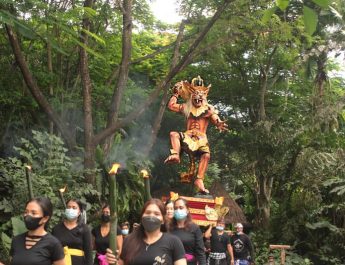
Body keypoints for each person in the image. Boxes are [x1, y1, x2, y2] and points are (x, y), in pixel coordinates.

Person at [164, 76, 228, 194]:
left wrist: (219, 123)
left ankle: (199, 179)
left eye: (201, 94)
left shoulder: (208, 109)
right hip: (188, 136)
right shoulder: (186, 107)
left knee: (206, 155)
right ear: (191, 94)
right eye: (195, 93)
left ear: (204, 96)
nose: (198, 96)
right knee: (174, 134)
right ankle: (176, 155)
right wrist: (175, 94)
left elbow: (215, 118)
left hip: (201, 138)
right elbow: (171, 106)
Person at [106, 198, 187, 265]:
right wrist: (112, 260)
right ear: (142, 216)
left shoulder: (173, 242)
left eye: (156, 214)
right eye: (148, 212)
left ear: (163, 220)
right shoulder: (129, 240)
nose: (151, 216)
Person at [10, 197, 65, 265]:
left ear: (45, 218)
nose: (28, 216)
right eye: (26, 212)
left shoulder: (53, 244)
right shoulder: (16, 240)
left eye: (33, 213)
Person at [52, 199, 92, 265]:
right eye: (68, 207)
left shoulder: (84, 229)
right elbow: (51, 250)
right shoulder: (56, 229)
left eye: (74, 208)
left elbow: (88, 253)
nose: (71, 209)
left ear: (79, 212)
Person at [168, 198, 207, 265]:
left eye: (181, 208)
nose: (178, 210)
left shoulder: (195, 228)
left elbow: (200, 252)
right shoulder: (168, 228)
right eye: (175, 208)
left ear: (187, 210)